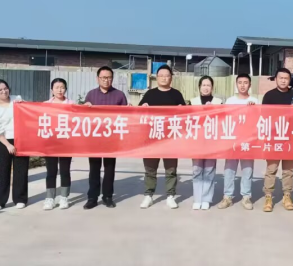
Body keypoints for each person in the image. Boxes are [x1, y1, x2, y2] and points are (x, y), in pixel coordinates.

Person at [139, 64, 187, 209]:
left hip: (170, 138)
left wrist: (182, 110)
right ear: (157, 78)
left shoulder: (176, 94)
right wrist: (143, 108)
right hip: (152, 137)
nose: (164, 78)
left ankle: (170, 196)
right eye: (161, 76)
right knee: (150, 169)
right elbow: (139, 113)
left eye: (167, 75)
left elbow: (185, 115)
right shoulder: (149, 94)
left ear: (171, 78)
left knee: (171, 169)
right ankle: (148, 195)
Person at [83, 66, 128, 210]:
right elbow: (84, 116)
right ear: (97, 79)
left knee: (109, 169)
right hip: (94, 138)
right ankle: (92, 197)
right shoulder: (91, 95)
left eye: (109, 77)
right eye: (103, 78)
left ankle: (108, 196)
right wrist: (85, 107)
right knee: (94, 168)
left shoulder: (119, 95)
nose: (106, 80)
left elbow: (126, 116)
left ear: (112, 79)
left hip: (111, 139)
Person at [0, 79, 29, 210]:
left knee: (21, 170)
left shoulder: (17, 99)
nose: (4, 91)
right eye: (0, 90)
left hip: (21, 138)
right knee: (2, 171)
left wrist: (24, 104)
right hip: (3, 140)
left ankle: (20, 199)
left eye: (5, 88)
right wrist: (8, 145)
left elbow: (29, 111)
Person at [219, 73, 259, 211]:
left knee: (247, 169)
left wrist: (253, 109)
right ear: (236, 84)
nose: (242, 85)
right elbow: (224, 119)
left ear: (250, 85)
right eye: (240, 82)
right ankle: (227, 196)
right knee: (229, 169)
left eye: (245, 82)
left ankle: (246, 197)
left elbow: (259, 120)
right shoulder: (230, 101)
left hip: (248, 140)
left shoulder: (254, 101)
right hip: (232, 140)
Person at [261, 67, 293, 212]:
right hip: (274, 138)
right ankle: (268, 197)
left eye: (286, 78)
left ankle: (287, 196)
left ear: (289, 80)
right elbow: (264, 117)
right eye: (281, 78)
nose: (283, 80)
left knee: (288, 170)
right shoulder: (269, 96)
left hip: (290, 138)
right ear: (276, 79)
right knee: (271, 169)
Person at [189, 76, 223, 210]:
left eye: (208, 85)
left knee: (209, 170)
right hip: (196, 141)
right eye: (203, 85)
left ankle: (206, 199)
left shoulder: (218, 102)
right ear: (199, 87)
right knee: (197, 170)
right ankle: (197, 199)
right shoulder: (193, 102)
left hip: (211, 142)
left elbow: (223, 120)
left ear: (212, 87)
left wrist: (213, 110)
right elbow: (187, 120)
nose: (206, 87)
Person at [43, 78, 74, 211]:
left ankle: (64, 197)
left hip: (66, 142)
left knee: (65, 170)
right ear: (52, 90)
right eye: (57, 87)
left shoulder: (71, 104)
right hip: (50, 142)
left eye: (62, 87)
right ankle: (50, 198)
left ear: (65, 89)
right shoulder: (45, 105)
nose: (60, 90)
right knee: (51, 171)